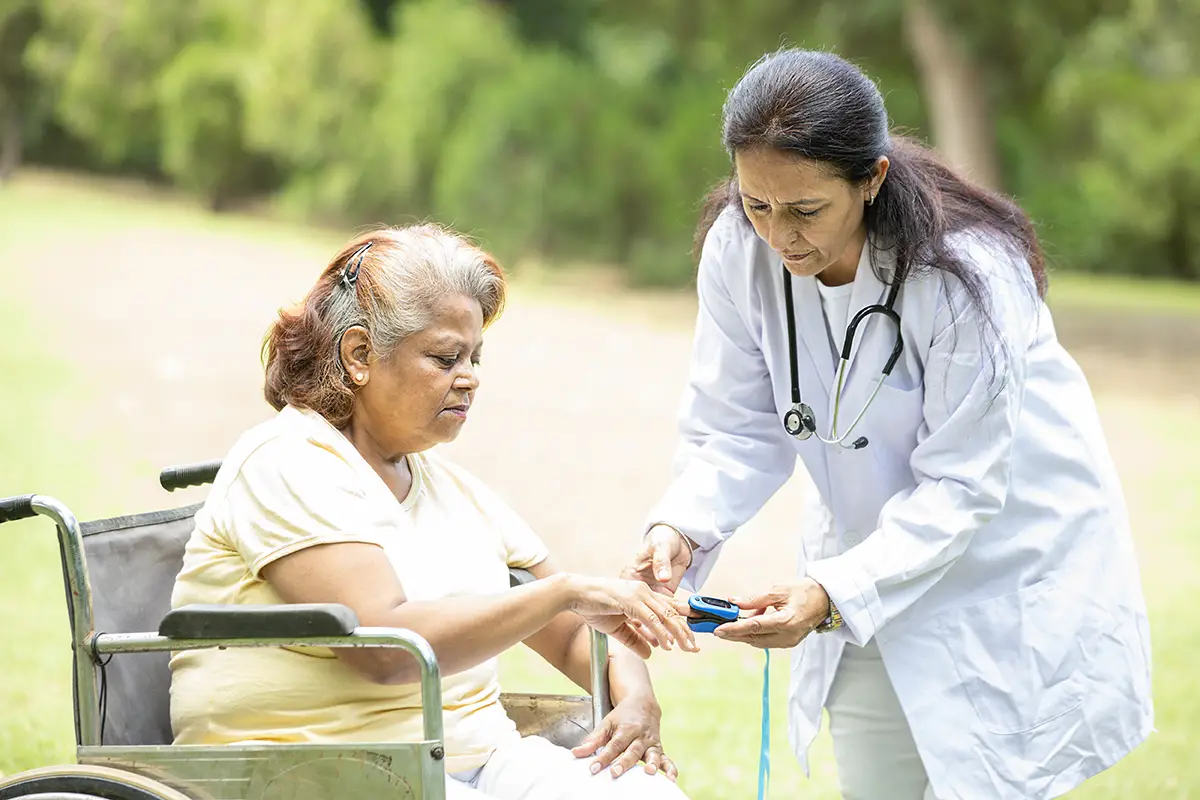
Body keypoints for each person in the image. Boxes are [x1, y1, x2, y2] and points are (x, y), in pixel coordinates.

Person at [620, 49, 1154, 800]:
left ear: (871, 178)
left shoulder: (968, 272)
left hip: (1005, 562)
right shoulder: (739, 254)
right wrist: (679, 528)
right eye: (758, 203)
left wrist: (830, 593)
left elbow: (963, 485)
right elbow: (736, 427)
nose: (780, 236)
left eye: (807, 210)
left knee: (991, 777)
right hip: (865, 566)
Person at [169, 223, 698, 800]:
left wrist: (636, 695)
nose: (469, 378)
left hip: (475, 759)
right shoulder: (287, 462)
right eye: (446, 357)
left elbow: (577, 636)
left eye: (474, 356)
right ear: (360, 354)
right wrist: (562, 591)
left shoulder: (448, 485)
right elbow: (386, 649)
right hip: (320, 767)